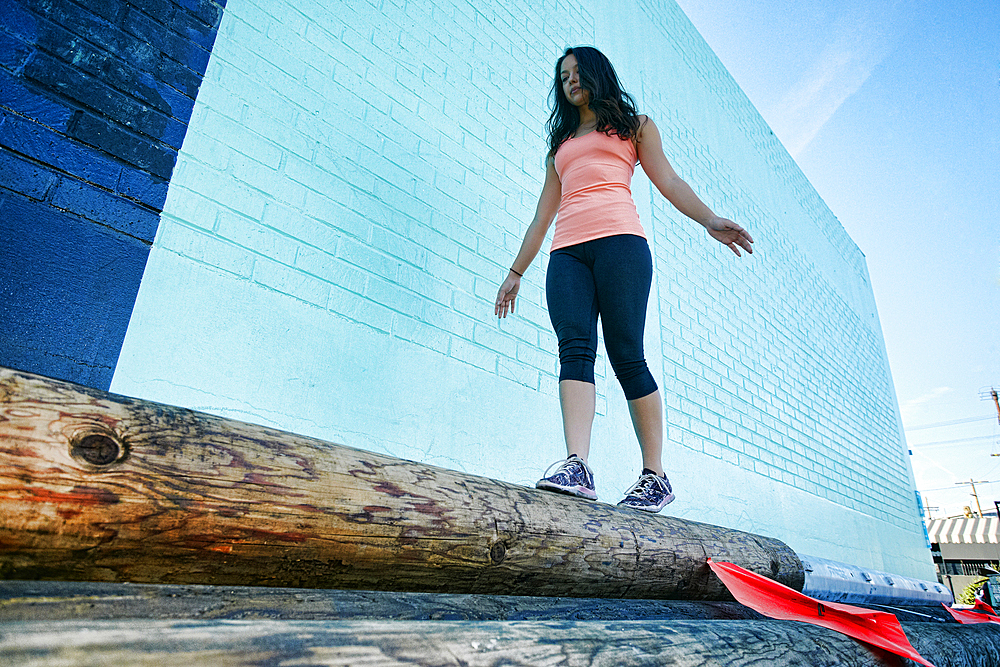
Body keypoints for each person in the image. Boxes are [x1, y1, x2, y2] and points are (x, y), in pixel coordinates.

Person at [494, 46, 754, 512]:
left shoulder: (635, 126)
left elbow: (669, 181)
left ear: (596, 73)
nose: (571, 81)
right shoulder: (562, 146)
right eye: (563, 77)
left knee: (627, 355)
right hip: (566, 254)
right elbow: (540, 218)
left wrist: (709, 220)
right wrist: (516, 272)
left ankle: (654, 475)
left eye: (577, 72)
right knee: (574, 349)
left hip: (621, 246)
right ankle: (577, 464)